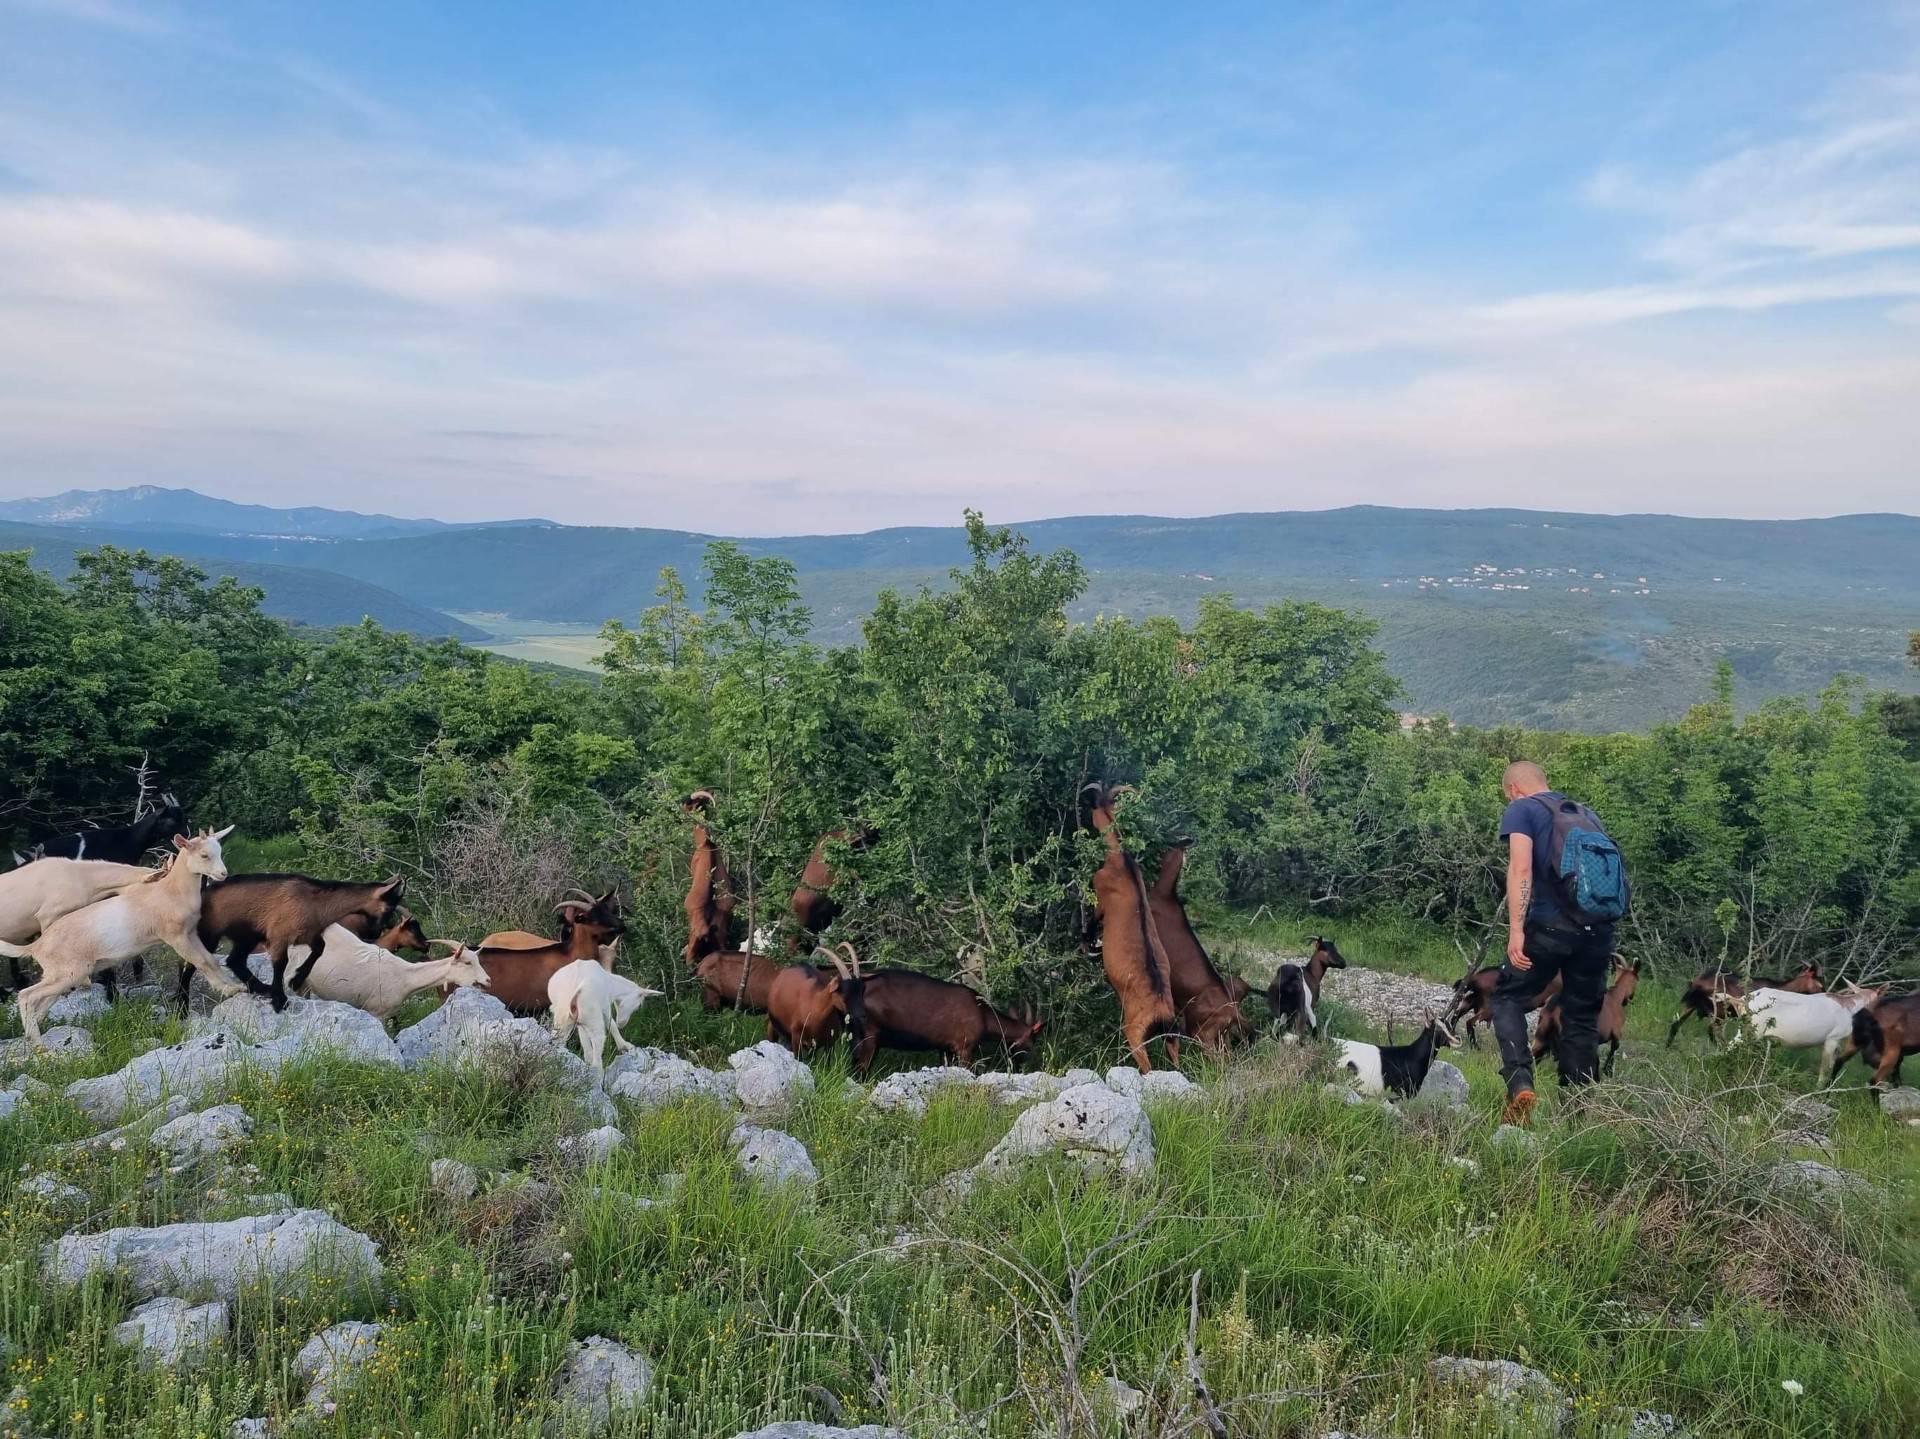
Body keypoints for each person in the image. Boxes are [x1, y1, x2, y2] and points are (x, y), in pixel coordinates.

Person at [1493, 761, 1625, 1125]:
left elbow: (1521, 869)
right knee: (1581, 1018)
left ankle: (1520, 1083)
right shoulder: (1586, 814)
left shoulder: (1522, 809)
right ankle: (1578, 1115)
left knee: (1506, 997)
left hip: (1551, 927)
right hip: (1598, 933)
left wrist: (1516, 929)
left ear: (1514, 790)